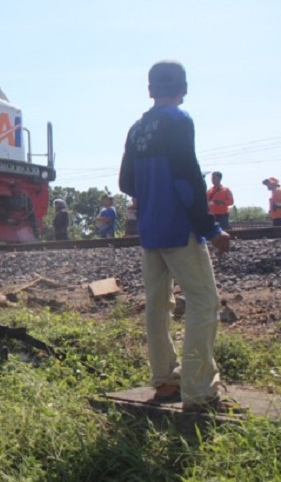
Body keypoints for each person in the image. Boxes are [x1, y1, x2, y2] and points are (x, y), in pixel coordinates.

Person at [118, 60, 238, 413]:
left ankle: (165, 382)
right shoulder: (179, 121)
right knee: (204, 301)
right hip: (178, 229)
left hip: (150, 232)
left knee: (157, 306)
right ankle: (200, 390)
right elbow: (188, 178)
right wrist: (211, 229)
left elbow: (126, 182)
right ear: (183, 89)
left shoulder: (137, 128)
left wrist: (150, 189)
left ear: (150, 89)